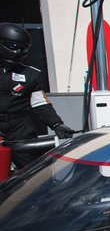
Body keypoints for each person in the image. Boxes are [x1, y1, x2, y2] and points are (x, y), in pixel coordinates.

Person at [0, 23, 74, 169]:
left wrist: (56, 124)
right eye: (13, 46)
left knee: (31, 169)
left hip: (19, 127)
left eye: (23, 48)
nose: (18, 51)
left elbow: (39, 103)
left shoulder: (31, 74)